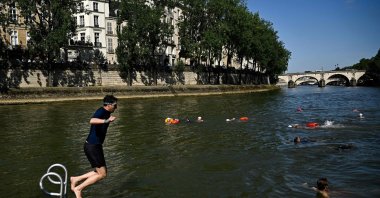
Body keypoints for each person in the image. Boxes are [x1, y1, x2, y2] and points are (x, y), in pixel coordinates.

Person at [70, 95, 118, 198]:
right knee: (102, 174)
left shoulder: (107, 112)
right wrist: (106, 121)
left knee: (99, 172)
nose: (116, 107)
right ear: (109, 105)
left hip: (94, 146)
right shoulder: (101, 111)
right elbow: (92, 120)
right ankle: (79, 189)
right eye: (115, 105)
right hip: (92, 146)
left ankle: (75, 179)